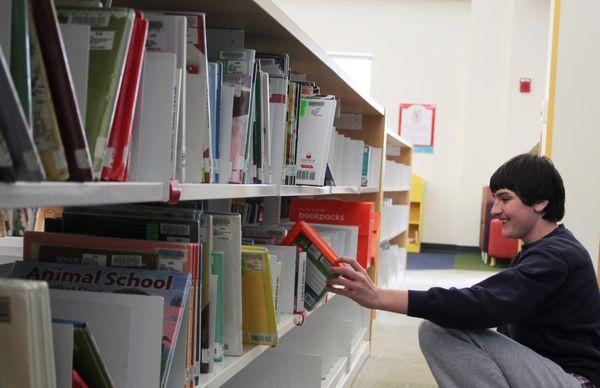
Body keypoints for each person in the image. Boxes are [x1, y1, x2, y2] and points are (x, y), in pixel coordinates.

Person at [326, 154, 600, 387]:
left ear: (540, 202)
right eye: (495, 200)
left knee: (437, 331)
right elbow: (491, 309)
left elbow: (482, 304)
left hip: (572, 380)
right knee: (444, 326)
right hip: (547, 370)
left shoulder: (557, 256)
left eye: (505, 199)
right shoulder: (542, 249)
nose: (495, 210)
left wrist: (379, 297)